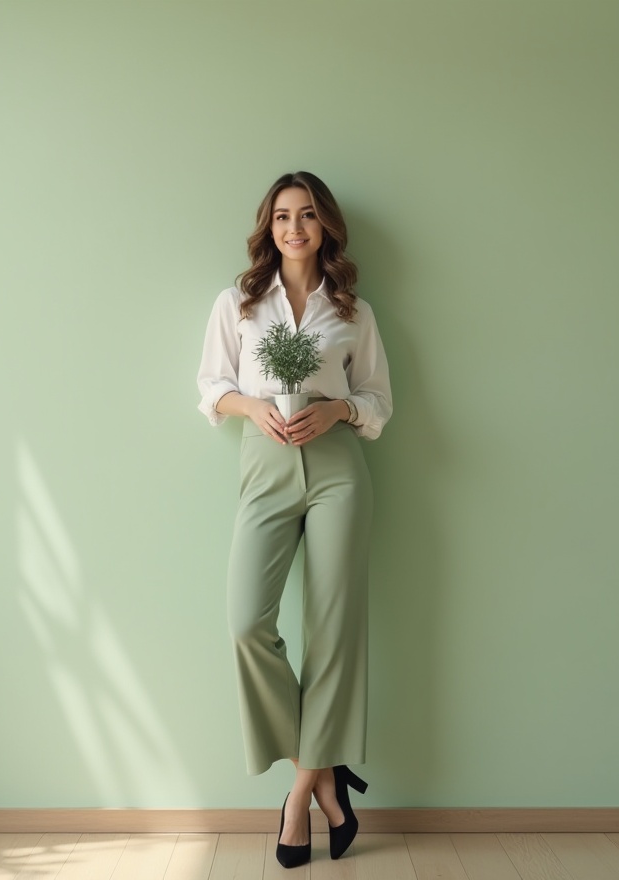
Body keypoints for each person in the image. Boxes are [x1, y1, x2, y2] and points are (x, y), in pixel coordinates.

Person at [197, 171, 393, 868]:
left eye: (307, 215)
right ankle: (329, 783)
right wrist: (253, 407)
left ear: (325, 226)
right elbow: (210, 387)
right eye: (282, 216)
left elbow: (376, 399)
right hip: (265, 464)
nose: (294, 227)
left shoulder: (353, 310)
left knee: (334, 631)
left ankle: (301, 793)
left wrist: (339, 409)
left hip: (338, 466)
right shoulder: (240, 303)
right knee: (247, 622)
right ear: (268, 227)